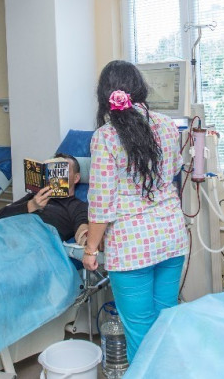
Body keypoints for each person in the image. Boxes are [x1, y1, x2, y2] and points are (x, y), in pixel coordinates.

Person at [82, 60, 189, 361]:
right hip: (171, 238)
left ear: (105, 94)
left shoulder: (105, 136)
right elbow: (174, 170)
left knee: (140, 333)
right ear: (140, 87)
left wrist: (91, 249)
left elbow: (101, 202)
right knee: (165, 323)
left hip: (132, 247)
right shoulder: (167, 125)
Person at [0, 152, 88, 244]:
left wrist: (85, 237)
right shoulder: (36, 197)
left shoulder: (78, 206)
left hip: (33, 241)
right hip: (7, 233)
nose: (56, 176)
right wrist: (32, 205)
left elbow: (82, 229)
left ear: (76, 178)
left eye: (63, 170)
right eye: (52, 170)